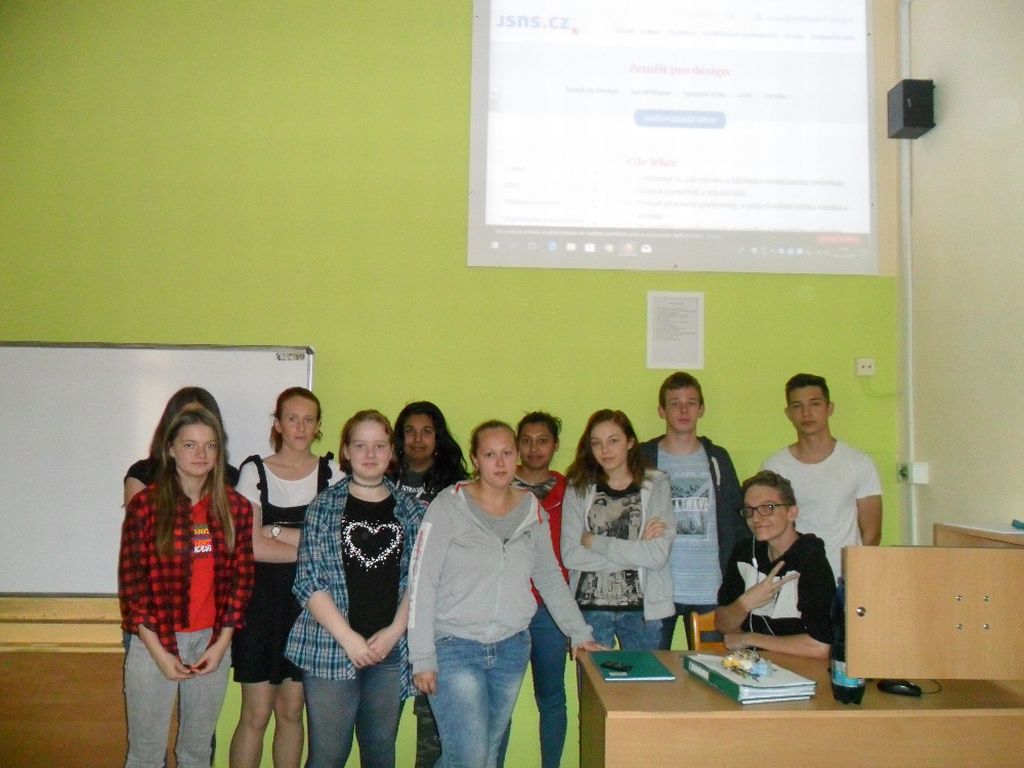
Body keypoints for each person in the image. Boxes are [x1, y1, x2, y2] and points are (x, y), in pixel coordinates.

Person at [408, 420, 600, 768]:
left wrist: (578, 631)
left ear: (516, 456)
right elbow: (422, 582)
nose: (500, 462)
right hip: (454, 646)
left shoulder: (531, 508)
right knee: (469, 758)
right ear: (475, 459)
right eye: (490, 454)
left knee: (488, 755)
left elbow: (549, 577)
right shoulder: (448, 505)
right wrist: (422, 656)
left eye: (507, 453)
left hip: (511, 648)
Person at [118, 404, 255, 768]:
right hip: (155, 641)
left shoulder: (236, 508)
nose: (201, 454)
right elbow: (133, 587)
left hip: (211, 644)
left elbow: (241, 582)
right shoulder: (146, 506)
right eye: (190, 445)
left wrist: (221, 645)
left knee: (196, 753)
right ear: (171, 449)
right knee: (145, 756)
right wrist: (161, 654)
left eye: (210, 445)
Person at [285, 409, 422, 768]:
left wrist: (394, 632)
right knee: (328, 756)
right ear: (346, 450)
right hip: (331, 647)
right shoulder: (323, 506)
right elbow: (308, 581)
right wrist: (348, 639)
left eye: (379, 445)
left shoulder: (411, 510)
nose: (370, 453)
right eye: (360, 445)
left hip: (389, 651)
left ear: (391, 451)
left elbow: (421, 579)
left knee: (380, 754)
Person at [229, 388, 342, 768]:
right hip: (260, 608)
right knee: (256, 713)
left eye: (309, 419)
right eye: (292, 418)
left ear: (318, 426)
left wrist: (274, 531)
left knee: (292, 712)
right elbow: (252, 547)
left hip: (309, 610)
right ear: (277, 423)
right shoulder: (253, 471)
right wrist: (310, 547)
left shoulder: (333, 474)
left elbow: (336, 546)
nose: (301, 427)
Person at [639, 372, 748, 651]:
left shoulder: (718, 458)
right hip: (658, 588)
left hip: (710, 588)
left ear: (701, 409)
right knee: (653, 671)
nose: (683, 410)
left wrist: (738, 580)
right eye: (675, 403)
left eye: (691, 402)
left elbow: (737, 519)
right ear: (662, 410)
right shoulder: (643, 458)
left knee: (714, 670)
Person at [391, 400, 469, 768]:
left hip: (437, 616)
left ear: (438, 438)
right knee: (380, 727)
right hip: (384, 613)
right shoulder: (381, 480)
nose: (418, 439)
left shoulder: (457, 490)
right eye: (410, 431)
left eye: (426, 431)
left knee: (434, 725)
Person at [561, 409, 675, 650]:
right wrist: (637, 550)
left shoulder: (656, 484)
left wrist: (594, 542)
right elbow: (571, 556)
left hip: (643, 611)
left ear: (630, 442)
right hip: (590, 609)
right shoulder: (577, 487)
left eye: (613, 440)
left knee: (644, 676)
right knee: (595, 676)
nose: (605, 450)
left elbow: (656, 556)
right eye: (596, 443)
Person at [497, 412, 570, 768]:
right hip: (505, 608)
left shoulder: (570, 490)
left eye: (543, 440)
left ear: (555, 445)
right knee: (499, 702)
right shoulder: (499, 484)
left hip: (550, 611)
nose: (534, 448)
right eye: (526, 440)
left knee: (552, 698)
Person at [761, 373, 883, 580]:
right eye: (797, 406)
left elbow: (872, 532)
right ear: (788, 413)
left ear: (829, 408)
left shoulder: (859, 463)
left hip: (844, 577)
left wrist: (854, 575)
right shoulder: (774, 467)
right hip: (793, 578)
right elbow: (768, 527)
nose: (806, 413)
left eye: (815, 404)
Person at [715, 470, 835, 658]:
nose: (755, 518)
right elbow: (722, 624)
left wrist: (750, 638)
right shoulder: (744, 553)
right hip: (752, 666)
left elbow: (821, 646)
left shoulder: (810, 559)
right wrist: (745, 603)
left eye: (767, 508)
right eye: (749, 510)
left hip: (799, 667)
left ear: (792, 512)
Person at [124, 386, 240, 508]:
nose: (196, 423)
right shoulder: (144, 474)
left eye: (203, 417)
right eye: (187, 418)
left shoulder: (230, 478)